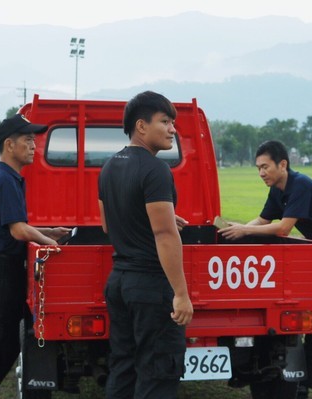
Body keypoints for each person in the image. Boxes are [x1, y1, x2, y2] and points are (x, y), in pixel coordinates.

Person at [218, 140, 312, 399]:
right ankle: (303, 386)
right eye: (258, 168)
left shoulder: (300, 184)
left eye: (265, 167)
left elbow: (282, 229)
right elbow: (263, 219)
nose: (261, 173)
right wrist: (234, 231)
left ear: (283, 165)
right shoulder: (277, 189)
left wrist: (245, 230)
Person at [0, 114, 71, 399]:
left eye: (34, 140)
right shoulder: (5, 179)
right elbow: (17, 231)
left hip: (3, 270)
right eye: (27, 140)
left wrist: (49, 230)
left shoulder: (6, 177)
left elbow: (17, 226)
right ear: (9, 145)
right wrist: (48, 240)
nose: (34, 146)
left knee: (8, 346)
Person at [98, 91, 194, 399]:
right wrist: (181, 294)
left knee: (123, 367)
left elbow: (107, 224)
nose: (172, 129)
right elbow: (164, 235)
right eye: (165, 122)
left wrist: (161, 217)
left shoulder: (109, 166)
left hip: (120, 283)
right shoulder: (156, 169)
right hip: (150, 287)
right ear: (141, 126)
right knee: (158, 372)